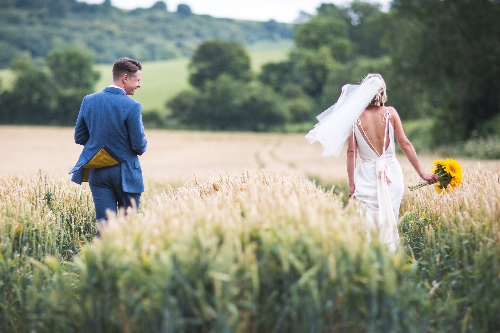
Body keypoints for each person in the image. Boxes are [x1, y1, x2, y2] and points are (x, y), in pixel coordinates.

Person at [306, 73, 437, 252]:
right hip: (392, 174)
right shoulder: (391, 113)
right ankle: (390, 260)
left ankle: (371, 260)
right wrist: (422, 173)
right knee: (390, 217)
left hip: (366, 176)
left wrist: (351, 183)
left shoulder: (354, 118)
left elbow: (352, 151)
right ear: (382, 92)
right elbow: (405, 144)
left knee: (368, 222)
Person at [69, 57, 147, 232]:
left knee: (104, 227)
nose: (139, 85)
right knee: (130, 227)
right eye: (138, 80)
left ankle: (100, 259)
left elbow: (79, 136)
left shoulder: (88, 100)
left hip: (98, 172)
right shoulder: (132, 106)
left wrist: (99, 143)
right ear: (125, 78)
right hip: (125, 174)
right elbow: (139, 146)